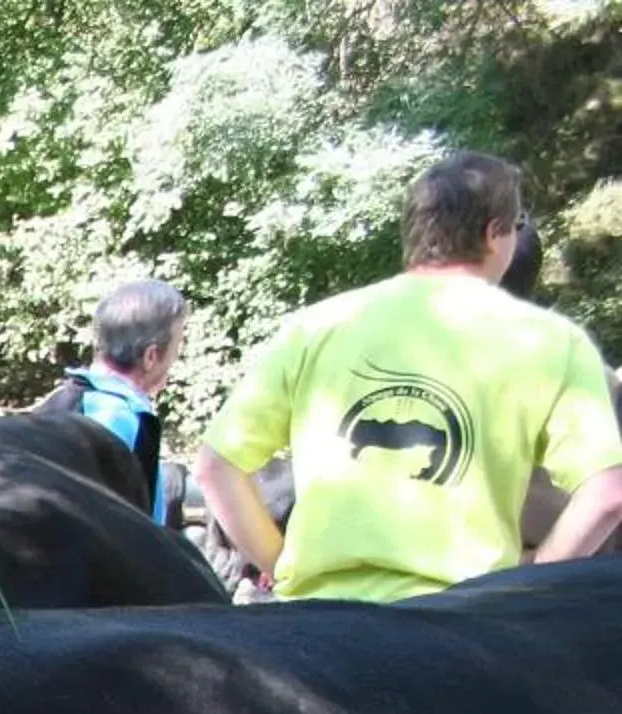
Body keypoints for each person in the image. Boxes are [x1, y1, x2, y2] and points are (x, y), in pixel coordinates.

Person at [198, 152, 622, 601]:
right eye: (515, 227)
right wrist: (532, 576)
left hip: (317, 627)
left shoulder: (317, 326)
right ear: (494, 232)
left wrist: (281, 565)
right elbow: (608, 491)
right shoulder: (550, 342)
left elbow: (215, 467)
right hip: (467, 622)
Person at [37, 280, 185, 524]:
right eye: (177, 347)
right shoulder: (126, 421)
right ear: (150, 356)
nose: (175, 359)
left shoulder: (58, 399)